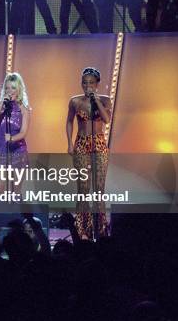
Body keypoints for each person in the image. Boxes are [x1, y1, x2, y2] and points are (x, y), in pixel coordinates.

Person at [65, 67, 112, 240]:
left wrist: (96, 100)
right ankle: (82, 230)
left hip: (99, 144)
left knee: (99, 189)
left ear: (97, 84)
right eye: (84, 83)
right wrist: (69, 143)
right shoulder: (75, 101)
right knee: (83, 189)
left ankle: (100, 230)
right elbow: (69, 121)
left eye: (91, 83)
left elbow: (106, 120)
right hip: (82, 144)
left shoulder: (106, 100)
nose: (87, 86)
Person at [0, 73, 30, 193]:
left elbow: (23, 132)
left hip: (18, 150)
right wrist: (2, 104)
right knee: (0, 190)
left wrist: (11, 138)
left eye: (13, 88)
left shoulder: (24, 108)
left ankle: (16, 210)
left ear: (19, 90)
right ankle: (2, 210)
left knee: (16, 190)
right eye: (7, 88)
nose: (10, 91)